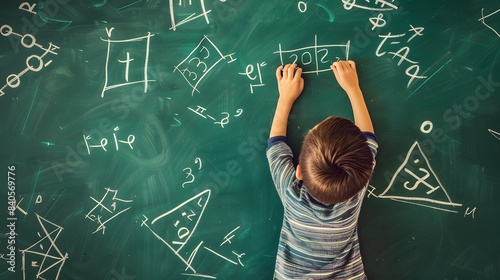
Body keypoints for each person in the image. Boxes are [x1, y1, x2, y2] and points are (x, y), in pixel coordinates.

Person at [266, 61, 378, 279]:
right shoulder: (353, 190)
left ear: (298, 172)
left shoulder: (292, 194)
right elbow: (369, 141)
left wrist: (285, 97)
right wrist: (353, 88)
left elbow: (275, 147)